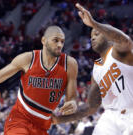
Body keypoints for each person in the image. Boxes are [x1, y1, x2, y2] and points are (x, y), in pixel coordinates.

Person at [0, 25, 78, 135]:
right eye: (56, 40)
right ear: (44, 40)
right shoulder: (28, 59)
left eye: (62, 42)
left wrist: (72, 102)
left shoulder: (70, 64)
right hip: (19, 121)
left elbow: (71, 97)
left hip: (42, 127)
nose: (60, 45)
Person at [52, 3, 133, 135]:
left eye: (96, 33)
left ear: (108, 36)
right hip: (111, 117)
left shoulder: (119, 51)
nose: (93, 37)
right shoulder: (97, 69)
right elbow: (90, 107)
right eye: (91, 36)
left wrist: (94, 24)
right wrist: (59, 119)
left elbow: (125, 40)